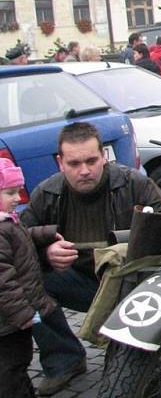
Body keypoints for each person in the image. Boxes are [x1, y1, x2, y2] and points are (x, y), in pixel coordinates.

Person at [20, 122, 161, 396]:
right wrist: (46, 254)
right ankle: (64, 359)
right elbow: (16, 244)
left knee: (129, 377)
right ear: (61, 162)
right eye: (74, 163)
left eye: (92, 160)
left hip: (130, 283)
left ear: (104, 156)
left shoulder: (133, 183)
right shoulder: (47, 193)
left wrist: (135, 247)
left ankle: (135, 363)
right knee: (22, 283)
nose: (84, 170)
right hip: (80, 280)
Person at [0, 158, 60, 398]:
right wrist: (23, 314)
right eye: (10, 192)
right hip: (10, 321)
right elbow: (3, 281)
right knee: (11, 367)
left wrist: (46, 232)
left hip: (13, 320)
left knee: (18, 363)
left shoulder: (7, 223)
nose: (18, 198)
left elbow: (22, 234)